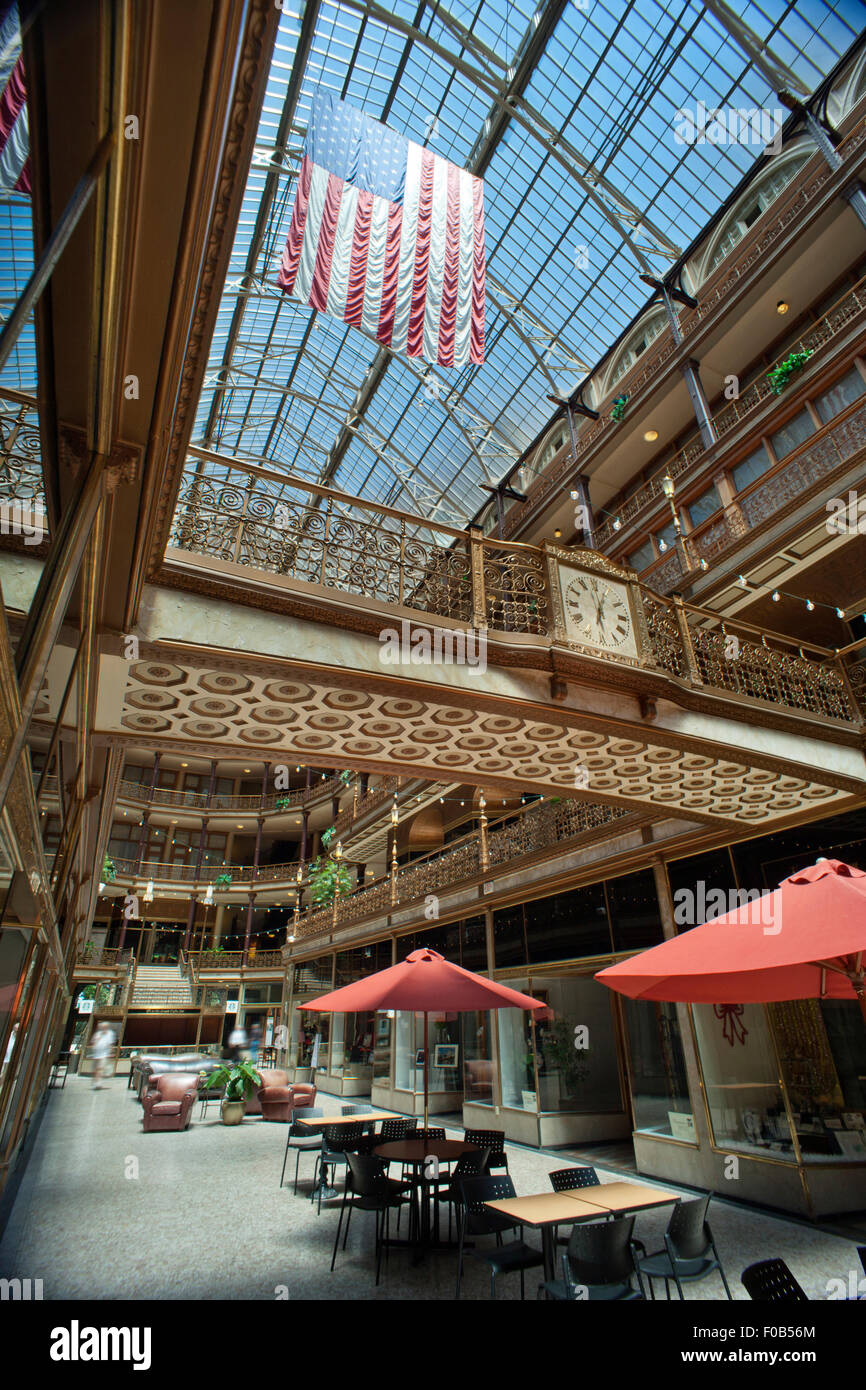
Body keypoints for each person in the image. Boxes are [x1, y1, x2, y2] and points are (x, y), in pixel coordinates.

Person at [89, 1021, 116, 1090]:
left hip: (104, 1054)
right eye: (103, 1027)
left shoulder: (110, 1034)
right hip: (96, 1054)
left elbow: (110, 1044)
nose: (104, 1028)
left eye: (105, 1027)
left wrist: (110, 1053)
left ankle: (98, 1083)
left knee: (100, 1068)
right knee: (95, 1069)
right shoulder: (98, 1034)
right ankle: (95, 1081)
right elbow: (93, 1042)